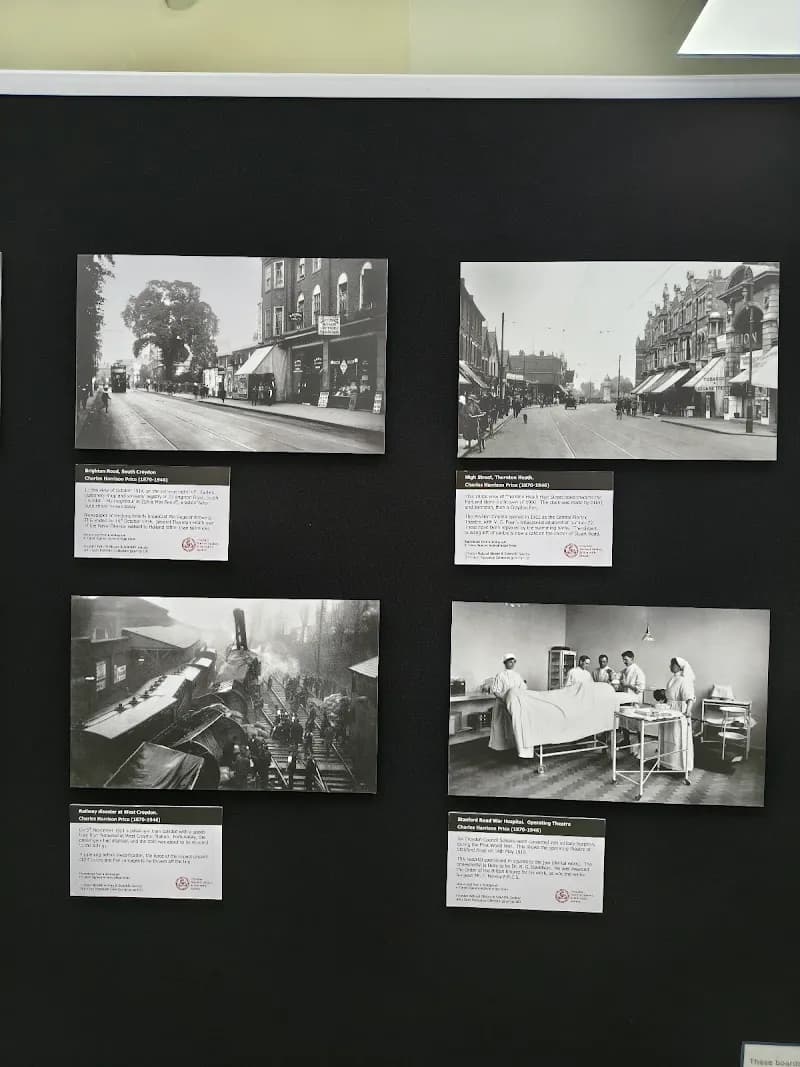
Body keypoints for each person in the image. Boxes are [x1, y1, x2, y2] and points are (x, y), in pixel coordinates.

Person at [660, 657, 696, 772]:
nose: (670, 666)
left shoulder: (683, 680)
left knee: (677, 737)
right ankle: (668, 763)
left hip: (679, 711)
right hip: (670, 709)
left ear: (679, 666)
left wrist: (688, 711)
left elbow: (690, 697)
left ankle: (679, 766)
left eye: (672, 664)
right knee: (668, 736)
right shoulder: (672, 679)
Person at [489, 653, 527, 751]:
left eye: (513, 662)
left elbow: (523, 688)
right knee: (500, 727)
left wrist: (516, 698)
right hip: (502, 705)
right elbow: (496, 691)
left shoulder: (517, 676)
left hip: (513, 706)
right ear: (505, 663)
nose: (512, 663)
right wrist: (506, 698)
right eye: (510, 661)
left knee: (512, 726)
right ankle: (499, 748)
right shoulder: (500, 675)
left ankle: (512, 747)